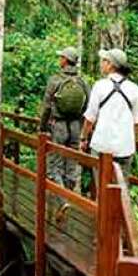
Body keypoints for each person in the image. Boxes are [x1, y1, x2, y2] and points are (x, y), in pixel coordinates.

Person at [79, 48, 138, 187]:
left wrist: (83, 138)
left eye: (104, 61)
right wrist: (132, 141)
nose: (101, 64)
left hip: (102, 145)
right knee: (122, 189)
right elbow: (137, 121)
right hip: (125, 148)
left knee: (102, 188)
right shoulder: (133, 88)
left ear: (111, 65)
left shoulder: (100, 86)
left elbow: (90, 118)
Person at [40, 47, 90, 191]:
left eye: (61, 57)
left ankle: (62, 200)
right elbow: (88, 105)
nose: (59, 59)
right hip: (75, 126)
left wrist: (42, 127)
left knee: (54, 164)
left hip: (58, 126)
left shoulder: (55, 80)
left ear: (65, 60)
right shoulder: (82, 82)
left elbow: (47, 107)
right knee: (72, 163)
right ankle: (69, 195)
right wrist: (81, 123)